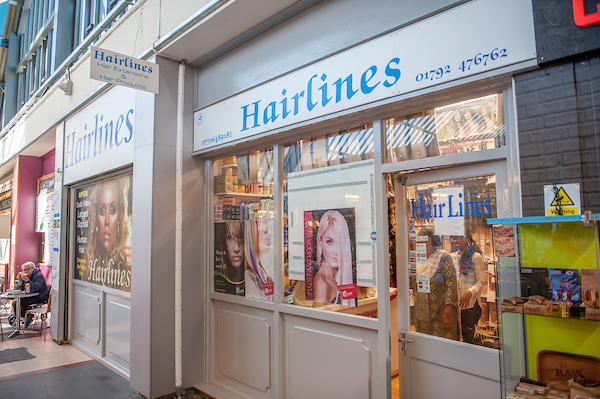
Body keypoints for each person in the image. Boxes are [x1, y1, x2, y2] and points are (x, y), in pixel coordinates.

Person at [84, 178, 131, 291]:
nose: (107, 221)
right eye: (102, 211)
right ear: (95, 217)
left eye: (112, 210)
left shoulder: (129, 274)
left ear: (119, 216)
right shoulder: (87, 269)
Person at [413, 228, 459, 340]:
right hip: (422, 313)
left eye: (418, 239)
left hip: (441, 313)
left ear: (428, 240)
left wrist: (447, 313)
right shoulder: (418, 260)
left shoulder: (443, 257)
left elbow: (451, 285)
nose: (415, 242)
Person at [313, 210, 356, 306]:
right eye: (329, 242)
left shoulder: (341, 277)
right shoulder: (321, 284)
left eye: (340, 241)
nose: (336, 251)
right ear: (320, 241)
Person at [451, 231, 485, 344]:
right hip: (455, 305)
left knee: (468, 338)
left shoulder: (476, 257)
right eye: (454, 238)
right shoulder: (452, 257)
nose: (455, 241)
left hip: (469, 306)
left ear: (467, 239)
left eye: (458, 238)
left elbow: (480, 282)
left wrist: (470, 292)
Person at [12, 261, 49, 328]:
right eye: (24, 270)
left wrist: (27, 280)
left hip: (39, 297)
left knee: (21, 302)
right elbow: (19, 290)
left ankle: (27, 317)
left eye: (27, 269)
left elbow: (35, 289)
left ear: (33, 268)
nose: (25, 271)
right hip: (30, 296)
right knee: (15, 303)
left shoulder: (38, 276)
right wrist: (20, 282)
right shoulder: (26, 276)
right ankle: (21, 318)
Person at [245, 220, 274, 300]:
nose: (270, 236)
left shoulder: (260, 270)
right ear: (254, 238)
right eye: (265, 232)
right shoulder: (249, 276)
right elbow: (254, 308)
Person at [214, 221, 246, 296]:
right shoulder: (215, 278)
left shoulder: (253, 279)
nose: (236, 248)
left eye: (241, 237)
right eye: (230, 237)